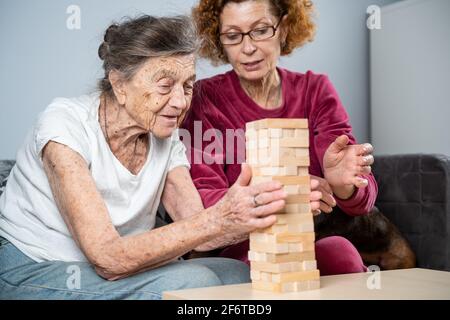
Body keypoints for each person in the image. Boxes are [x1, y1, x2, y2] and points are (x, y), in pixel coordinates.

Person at [0, 15, 287, 300]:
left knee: (236, 275)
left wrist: (266, 209)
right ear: (119, 84)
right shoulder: (63, 124)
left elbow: (201, 229)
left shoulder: (164, 131)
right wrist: (219, 218)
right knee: (195, 282)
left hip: (117, 266)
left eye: (188, 86)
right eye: (165, 85)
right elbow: (108, 258)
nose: (180, 102)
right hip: (33, 266)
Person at [182, 0, 378, 275]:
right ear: (219, 40)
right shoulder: (205, 99)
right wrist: (289, 192)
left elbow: (361, 193)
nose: (248, 48)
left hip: (310, 236)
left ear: (284, 28)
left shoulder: (315, 89)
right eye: (233, 36)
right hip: (245, 244)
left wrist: (344, 184)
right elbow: (204, 200)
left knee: (340, 253)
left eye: (261, 30)